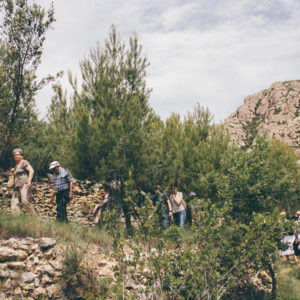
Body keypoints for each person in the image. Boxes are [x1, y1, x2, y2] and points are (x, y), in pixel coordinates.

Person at [10, 148, 36, 215]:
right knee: (14, 203)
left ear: (21, 156)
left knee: (24, 201)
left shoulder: (24, 162)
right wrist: (13, 171)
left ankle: (34, 218)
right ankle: (16, 220)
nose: (16, 156)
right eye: (14, 155)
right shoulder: (16, 166)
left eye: (17, 155)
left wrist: (29, 181)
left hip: (24, 184)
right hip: (17, 187)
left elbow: (31, 170)